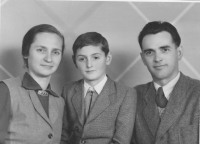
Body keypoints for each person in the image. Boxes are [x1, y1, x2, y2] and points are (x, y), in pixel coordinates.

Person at [61, 32, 137, 144]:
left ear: (108, 58)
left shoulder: (126, 93)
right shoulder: (68, 90)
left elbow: (121, 140)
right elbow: (63, 134)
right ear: (74, 61)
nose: (89, 65)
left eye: (95, 57)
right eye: (82, 59)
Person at [131, 21, 200, 144]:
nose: (157, 58)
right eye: (149, 52)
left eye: (164, 49)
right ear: (143, 59)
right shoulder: (133, 96)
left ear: (179, 52)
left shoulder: (197, 92)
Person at [0, 24, 65, 144]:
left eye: (55, 52)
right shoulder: (5, 90)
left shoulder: (59, 102)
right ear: (25, 52)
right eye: (41, 50)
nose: (49, 59)